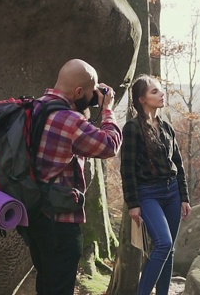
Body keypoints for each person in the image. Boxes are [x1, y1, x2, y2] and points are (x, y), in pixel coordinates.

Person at [25, 58, 123, 295]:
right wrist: (107, 109)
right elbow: (109, 145)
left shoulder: (33, 107)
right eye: (90, 92)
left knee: (47, 281)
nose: (93, 96)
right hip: (59, 220)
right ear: (79, 91)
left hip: (33, 214)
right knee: (59, 286)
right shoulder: (70, 120)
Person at [120, 74, 192, 295]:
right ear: (141, 99)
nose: (162, 94)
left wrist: (185, 197)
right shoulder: (132, 128)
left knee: (169, 250)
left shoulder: (167, 127)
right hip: (148, 194)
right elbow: (127, 169)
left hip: (172, 193)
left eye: (161, 90)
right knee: (163, 243)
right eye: (154, 91)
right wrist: (133, 203)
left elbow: (177, 165)